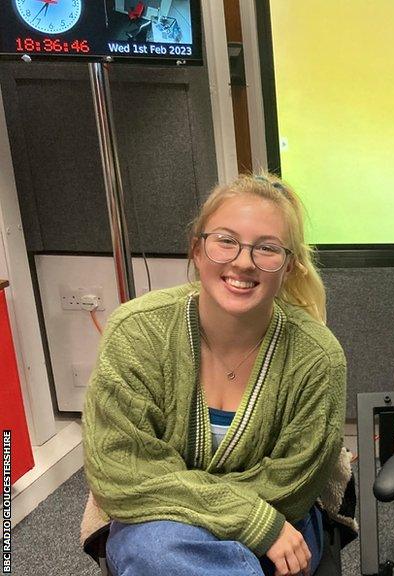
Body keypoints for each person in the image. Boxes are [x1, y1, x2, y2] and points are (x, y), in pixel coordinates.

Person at [83, 173, 347, 576]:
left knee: (162, 556)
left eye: (267, 249)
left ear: (289, 267)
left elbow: (292, 485)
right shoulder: (136, 332)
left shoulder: (317, 357)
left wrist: (246, 523)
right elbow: (121, 468)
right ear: (197, 249)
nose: (243, 261)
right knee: (158, 548)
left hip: (280, 522)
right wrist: (246, 518)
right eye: (226, 241)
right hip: (158, 521)